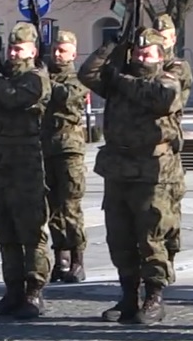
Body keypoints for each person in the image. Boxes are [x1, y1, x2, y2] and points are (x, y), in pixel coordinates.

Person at [78, 27, 183, 323]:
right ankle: (128, 296)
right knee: (120, 236)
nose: (140, 58)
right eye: (137, 53)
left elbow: (159, 98)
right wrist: (112, 45)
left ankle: (154, 297)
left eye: (147, 54)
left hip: (154, 172)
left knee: (151, 237)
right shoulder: (118, 78)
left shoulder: (167, 80)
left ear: (160, 57)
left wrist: (120, 78)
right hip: (119, 168)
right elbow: (88, 73)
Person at [0, 22, 53, 319]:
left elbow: (13, 98)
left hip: (25, 168)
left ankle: (34, 292)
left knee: (31, 231)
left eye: (19, 48)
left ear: (32, 50)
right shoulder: (1, 75)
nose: (13, 53)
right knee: (5, 231)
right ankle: (12, 291)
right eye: (10, 48)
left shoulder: (36, 78)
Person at [42, 29, 89, 283]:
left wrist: (42, 79)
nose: (57, 54)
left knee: (71, 207)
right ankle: (60, 258)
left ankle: (77, 259)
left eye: (63, 50)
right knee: (51, 209)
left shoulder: (78, 77)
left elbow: (66, 96)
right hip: (45, 147)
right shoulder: (42, 73)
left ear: (73, 53)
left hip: (69, 148)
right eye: (55, 49)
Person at [155, 15, 192, 272]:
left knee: (170, 206)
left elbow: (167, 88)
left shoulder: (178, 66)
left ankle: (170, 255)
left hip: (169, 143)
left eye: (164, 36)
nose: (161, 39)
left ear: (173, 38)